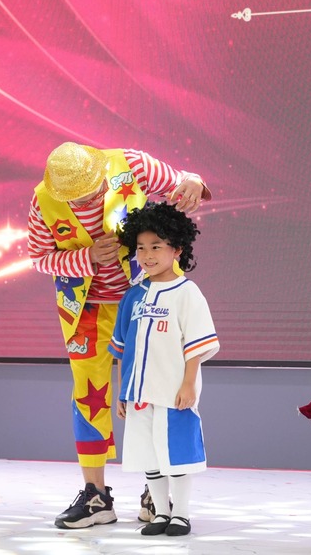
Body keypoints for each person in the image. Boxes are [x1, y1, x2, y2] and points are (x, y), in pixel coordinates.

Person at [27, 142, 211, 529]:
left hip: (146, 302)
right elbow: (39, 258)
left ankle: (155, 493)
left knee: (156, 392)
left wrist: (194, 182)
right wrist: (88, 257)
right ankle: (96, 496)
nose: (86, 200)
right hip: (87, 310)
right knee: (88, 397)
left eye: (91, 190)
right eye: (76, 197)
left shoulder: (131, 164)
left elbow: (183, 181)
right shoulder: (43, 200)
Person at [108, 202, 219, 537]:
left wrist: (189, 385)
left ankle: (180, 514)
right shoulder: (132, 296)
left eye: (156, 246)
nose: (147, 255)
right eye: (141, 247)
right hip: (139, 393)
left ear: (177, 249)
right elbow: (121, 349)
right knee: (149, 455)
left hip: (173, 392)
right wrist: (122, 390)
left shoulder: (188, 293)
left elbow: (195, 345)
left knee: (176, 452)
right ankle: (160, 513)